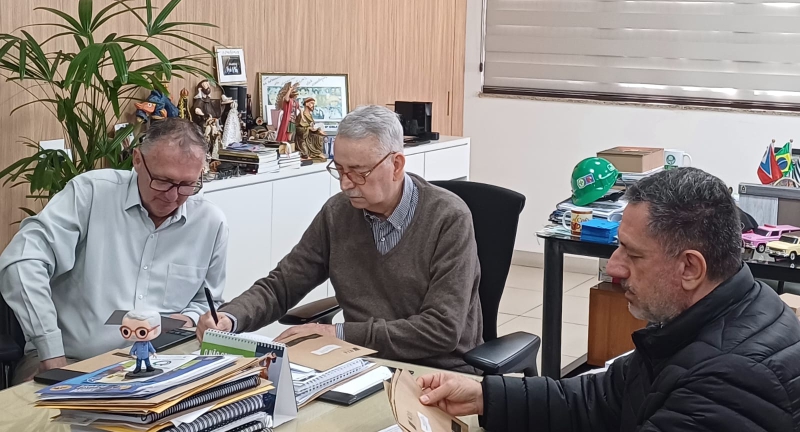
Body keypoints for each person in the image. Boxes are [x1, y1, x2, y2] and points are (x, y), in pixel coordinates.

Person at [416, 168, 800, 432]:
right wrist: (484, 396)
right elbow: (600, 398)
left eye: (632, 254)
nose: (614, 267)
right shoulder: (704, 320)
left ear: (690, 268)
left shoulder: (729, 381)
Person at [197, 105, 483, 372]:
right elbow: (282, 285)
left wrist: (338, 333)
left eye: (359, 173)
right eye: (340, 170)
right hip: (361, 365)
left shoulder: (449, 218)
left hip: (439, 372)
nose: (346, 184)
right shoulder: (338, 213)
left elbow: (441, 330)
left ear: (396, 165)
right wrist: (230, 318)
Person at [0, 117, 228, 383]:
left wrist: (189, 319)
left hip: (162, 362)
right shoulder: (90, 194)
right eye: (163, 181)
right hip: (72, 360)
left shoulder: (210, 222)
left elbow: (206, 303)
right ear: (137, 160)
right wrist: (50, 351)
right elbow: (22, 262)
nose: (172, 196)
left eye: (187, 185)